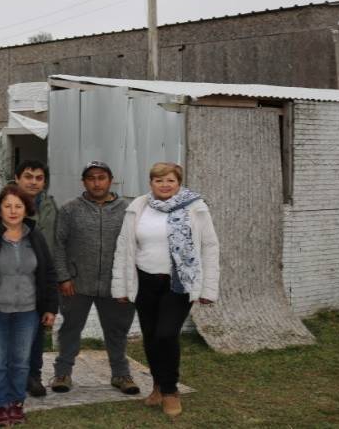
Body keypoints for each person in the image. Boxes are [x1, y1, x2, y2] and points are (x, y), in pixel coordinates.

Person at [112, 162, 220, 417]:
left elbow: (210, 247)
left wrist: (208, 288)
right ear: (151, 183)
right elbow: (124, 248)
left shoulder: (196, 208)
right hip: (145, 281)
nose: (164, 185)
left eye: (170, 180)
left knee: (165, 334)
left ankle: (171, 391)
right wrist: (121, 287)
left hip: (179, 282)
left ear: (179, 183)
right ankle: (158, 386)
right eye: (159, 180)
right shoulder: (138, 207)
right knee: (150, 336)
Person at [0, 185, 59, 427]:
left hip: (28, 311)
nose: (13, 211)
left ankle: (16, 403)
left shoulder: (34, 237)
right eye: (8, 206)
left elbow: (48, 273)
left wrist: (50, 307)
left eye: (18, 206)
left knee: (20, 361)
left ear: (26, 209)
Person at [50, 161, 139, 396]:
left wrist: (128, 282)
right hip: (76, 283)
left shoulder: (127, 210)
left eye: (101, 177)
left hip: (115, 285)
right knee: (70, 328)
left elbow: (135, 246)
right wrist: (63, 277)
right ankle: (62, 373)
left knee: (117, 330)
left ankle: (121, 374)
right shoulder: (70, 209)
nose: (96, 182)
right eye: (91, 178)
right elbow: (59, 245)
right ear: (84, 182)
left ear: (111, 180)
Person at [11, 160, 59, 397]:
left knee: (36, 331)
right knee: (10, 331)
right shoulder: (3, 205)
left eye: (39, 178)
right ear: (17, 177)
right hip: (8, 279)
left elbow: (58, 243)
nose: (33, 181)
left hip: (39, 279)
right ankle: (12, 376)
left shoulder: (50, 206)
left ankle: (34, 376)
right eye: (28, 176)